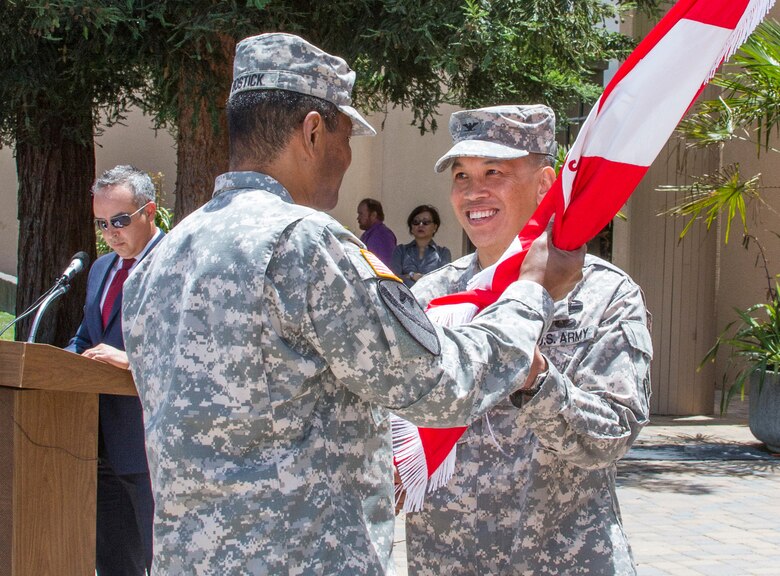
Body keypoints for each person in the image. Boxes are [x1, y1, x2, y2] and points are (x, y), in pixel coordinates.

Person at [121, 34, 585, 575]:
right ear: (313, 131)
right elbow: (439, 385)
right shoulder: (304, 243)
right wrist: (531, 292)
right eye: (346, 137)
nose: (346, 158)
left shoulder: (159, 258)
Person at [403, 104, 653, 575]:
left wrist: (535, 378)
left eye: (493, 171)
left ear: (544, 183)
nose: (473, 192)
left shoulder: (604, 293)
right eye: (461, 175)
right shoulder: (431, 297)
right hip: (447, 561)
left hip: (563, 560)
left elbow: (612, 436)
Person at [67, 165, 163, 576]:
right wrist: (62, 364)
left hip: (150, 450)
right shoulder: (101, 269)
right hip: (97, 445)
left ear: (150, 212)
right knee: (113, 566)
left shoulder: (176, 265)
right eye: (102, 224)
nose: (110, 233)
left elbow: (195, 350)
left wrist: (131, 361)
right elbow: (86, 337)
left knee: (161, 565)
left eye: (120, 221)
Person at [391, 204, 451, 287]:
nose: (420, 225)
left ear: (435, 227)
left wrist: (419, 278)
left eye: (426, 222)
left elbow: (443, 281)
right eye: (416, 222)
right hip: (404, 298)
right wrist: (412, 275)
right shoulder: (401, 250)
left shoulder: (443, 253)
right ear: (411, 228)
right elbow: (393, 279)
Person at [357, 197, 397, 264]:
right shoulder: (368, 234)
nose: (358, 218)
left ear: (373, 215)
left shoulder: (382, 236)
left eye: (361, 214)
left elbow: (385, 265)